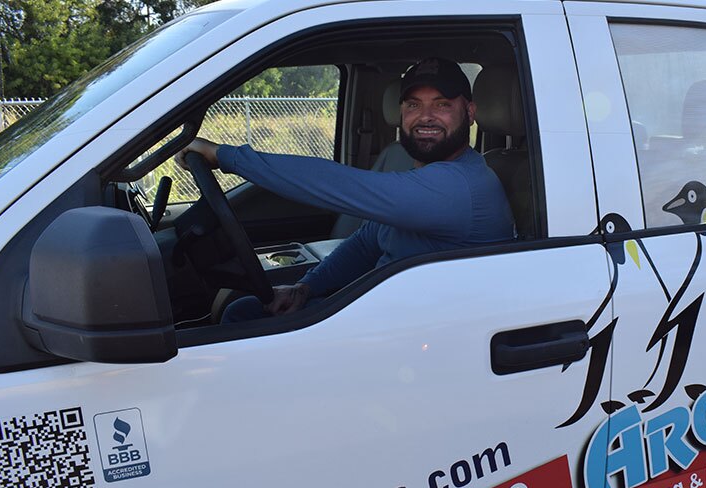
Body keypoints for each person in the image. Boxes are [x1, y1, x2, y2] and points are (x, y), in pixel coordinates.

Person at [176, 57, 516, 322]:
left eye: (442, 104)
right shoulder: (428, 176)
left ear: (469, 112)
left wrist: (225, 155)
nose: (425, 116)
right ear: (400, 113)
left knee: (241, 318)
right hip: (387, 313)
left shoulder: (462, 186)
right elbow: (368, 242)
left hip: (417, 334)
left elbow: (339, 185)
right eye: (413, 104)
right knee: (246, 310)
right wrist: (306, 287)